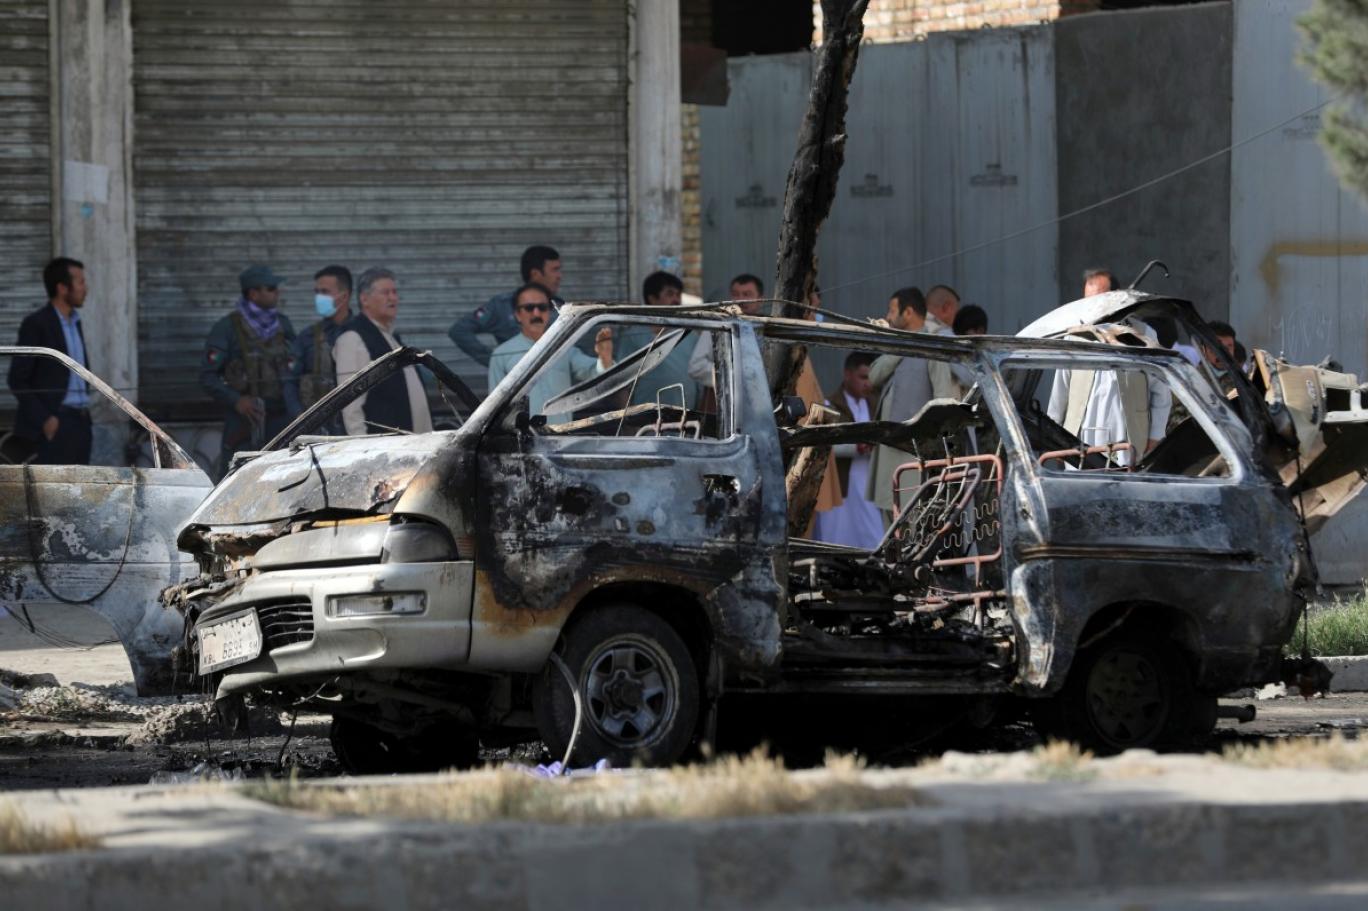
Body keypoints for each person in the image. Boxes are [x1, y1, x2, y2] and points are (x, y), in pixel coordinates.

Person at [201, 264, 296, 478]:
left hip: (280, 419)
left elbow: (296, 367)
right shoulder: (227, 329)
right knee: (237, 478)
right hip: (244, 421)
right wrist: (236, 400)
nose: (277, 293)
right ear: (253, 293)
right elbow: (208, 377)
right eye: (271, 288)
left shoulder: (283, 324)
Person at [1046, 320, 1171, 466]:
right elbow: (1060, 392)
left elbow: (1161, 391)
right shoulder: (1076, 334)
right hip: (1080, 442)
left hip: (1126, 444)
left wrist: (1155, 435)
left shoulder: (1143, 333)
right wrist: (1054, 437)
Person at [8, 257, 93, 465]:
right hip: (56, 425)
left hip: (81, 423)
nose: (85, 288)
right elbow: (17, 379)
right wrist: (46, 420)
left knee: (83, 483)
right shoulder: (37, 324)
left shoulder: (75, 322)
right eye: (80, 282)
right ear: (63, 288)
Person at [487, 283, 613, 422]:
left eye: (542, 307)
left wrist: (605, 358)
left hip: (561, 433)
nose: (536, 313)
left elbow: (594, 373)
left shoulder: (564, 347)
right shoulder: (501, 354)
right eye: (529, 308)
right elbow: (494, 408)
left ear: (548, 311)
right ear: (518, 315)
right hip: (521, 435)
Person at [865, 287, 942, 515]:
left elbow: (944, 401)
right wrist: (905, 345)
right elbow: (873, 376)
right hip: (889, 453)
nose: (887, 317)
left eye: (892, 310)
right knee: (890, 517)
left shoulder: (934, 346)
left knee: (912, 519)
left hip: (915, 454)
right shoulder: (898, 346)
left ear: (908, 313)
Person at [333, 268, 433, 435]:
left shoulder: (392, 337)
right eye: (386, 292)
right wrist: (361, 447)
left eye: (394, 292)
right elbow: (351, 408)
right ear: (364, 299)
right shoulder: (353, 339)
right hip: (381, 447)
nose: (393, 298)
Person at [449, 245, 563, 367]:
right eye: (554, 270)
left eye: (542, 308)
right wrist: (495, 361)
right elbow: (459, 330)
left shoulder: (561, 307)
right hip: (520, 378)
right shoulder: (503, 305)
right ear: (535, 274)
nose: (559, 276)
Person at [814, 352, 883, 549]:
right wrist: (856, 446)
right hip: (840, 487)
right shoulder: (829, 405)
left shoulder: (876, 404)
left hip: (870, 485)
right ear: (847, 374)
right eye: (863, 377)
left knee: (874, 538)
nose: (868, 384)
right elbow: (821, 445)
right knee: (836, 538)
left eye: (870, 378)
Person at [614, 271, 700, 409]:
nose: (676, 300)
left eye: (678, 295)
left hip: (688, 418)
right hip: (648, 419)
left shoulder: (689, 335)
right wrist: (628, 419)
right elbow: (621, 384)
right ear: (652, 299)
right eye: (670, 294)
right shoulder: (634, 337)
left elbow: (702, 379)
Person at [283, 264, 353, 421]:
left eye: (325, 292)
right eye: (317, 292)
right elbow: (289, 382)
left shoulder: (364, 333)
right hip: (319, 426)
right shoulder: (307, 337)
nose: (319, 298)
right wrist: (300, 417)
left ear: (344, 296)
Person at [688, 272, 765, 389]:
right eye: (735, 294)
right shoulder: (717, 326)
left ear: (760, 300)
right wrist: (733, 373)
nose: (740, 300)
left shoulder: (769, 329)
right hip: (725, 395)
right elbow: (696, 367)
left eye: (747, 294)